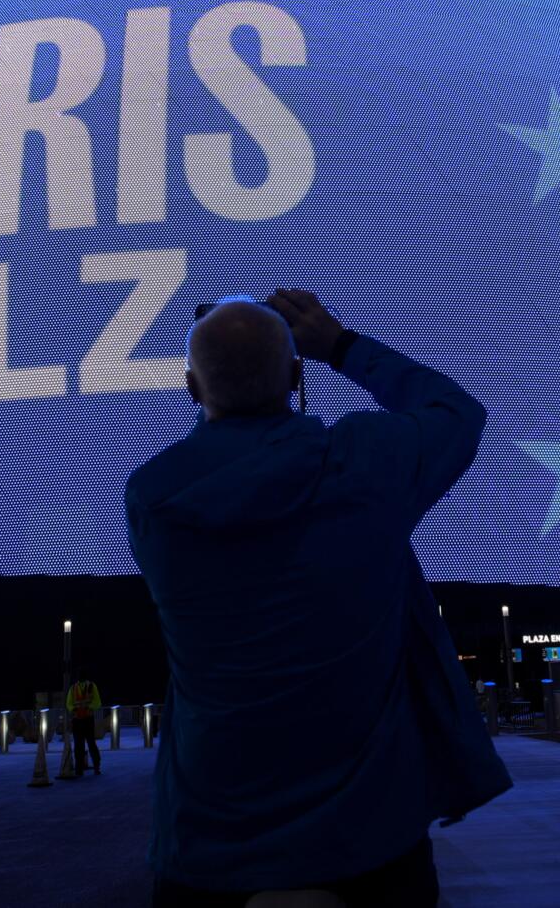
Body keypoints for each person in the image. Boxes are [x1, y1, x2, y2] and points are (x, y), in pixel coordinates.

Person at [126, 289, 511, 907]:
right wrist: (339, 345)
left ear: (192, 391)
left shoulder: (151, 499)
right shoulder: (366, 464)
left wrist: (230, 377)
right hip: (371, 840)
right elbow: (457, 410)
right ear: (297, 377)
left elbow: (228, 462)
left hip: (209, 849)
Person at [67, 669, 103, 776]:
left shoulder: (74, 688)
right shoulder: (85, 687)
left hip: (82, 720)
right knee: (87, 744)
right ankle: (92, 767)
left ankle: (83, 769)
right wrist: (88, 708)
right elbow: (97, 703)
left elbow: (68, 704)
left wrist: (74, 709)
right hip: (82, 720)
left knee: (83, 745)